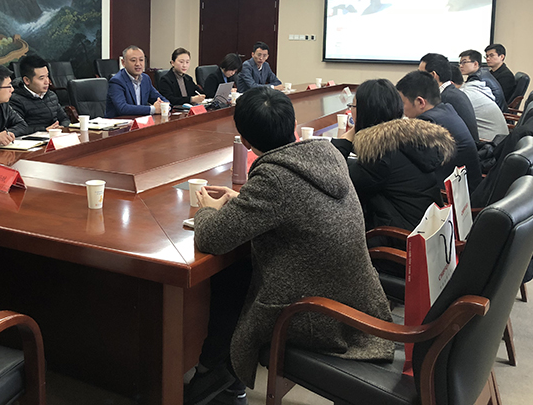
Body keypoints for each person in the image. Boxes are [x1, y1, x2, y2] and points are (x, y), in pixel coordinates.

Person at [187, 87, 393, 400]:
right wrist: (244, 201)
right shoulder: (327, 155)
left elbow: (212, 237)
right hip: (358, 303)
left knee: (232, 275)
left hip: (318, 316)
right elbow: (295, 205)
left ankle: (216, 371)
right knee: (237, 273)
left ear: (245, 141)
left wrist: (207, 210)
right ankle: (220, 372)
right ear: (294, 126)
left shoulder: (274, 177)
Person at [332, 79, 454, 231]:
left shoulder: (380, 153)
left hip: (399, 236)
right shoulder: (406, 139)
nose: (351, 110)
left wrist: (345, 139)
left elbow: (334, 180)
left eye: (353, 106)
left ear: (365, 111)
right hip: (425, 227)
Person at [396, 70, 482, 191]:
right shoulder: (446, 109)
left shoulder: (428, 122)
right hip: (470, 187)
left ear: (420, 102)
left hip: (454, 196)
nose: (401, 109)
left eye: (403, 103)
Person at [419, 53, 479, 143]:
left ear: (433, 75)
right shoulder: (453, 92)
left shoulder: (446, 98)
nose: (418, 78)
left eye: (421, 74)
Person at [10, 54, 70, 132]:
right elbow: (18, 128)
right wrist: (44, 130)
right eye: (41, 78)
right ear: (27, 80)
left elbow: (64, 119)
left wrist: (62, 127)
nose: (47, 82)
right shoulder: (16, 100)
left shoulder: (51, 95)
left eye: (47, 76)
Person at [105, 45, 167, 117]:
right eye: (133, 60)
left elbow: (159, 98)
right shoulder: (116, 81)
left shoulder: (145, 79)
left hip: (140, 121)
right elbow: (122, 108)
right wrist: (153, 109)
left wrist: (165, 105)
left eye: (141, 60)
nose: (138, 64)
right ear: (123, 62)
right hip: (119, 122)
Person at [459, 66, 509, 141]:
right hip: (501, 138)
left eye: (464, 62)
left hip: (492, 143)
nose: (461, 66)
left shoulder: (464, 94)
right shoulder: (481, 80)